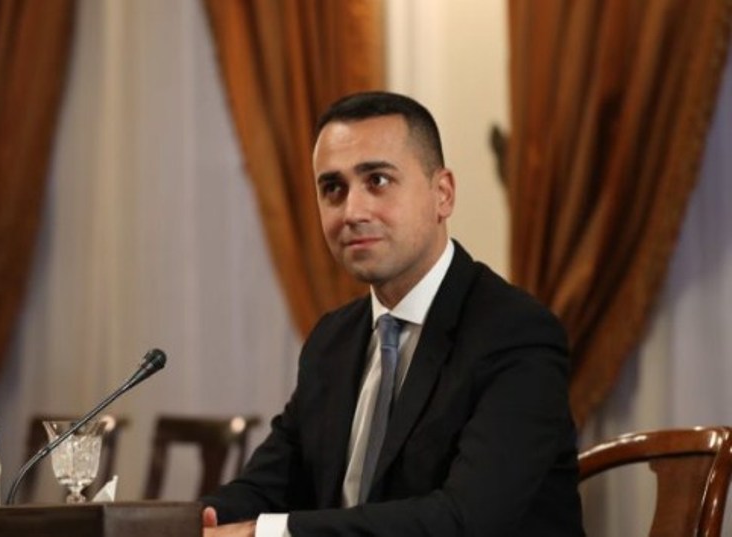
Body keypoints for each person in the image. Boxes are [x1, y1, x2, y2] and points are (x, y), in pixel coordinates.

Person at [201, 91, 584, 536]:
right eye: (333, 189)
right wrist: (176, 525)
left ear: (443, 194)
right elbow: (268, 486)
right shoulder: (332, 339)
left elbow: (465, 520)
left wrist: (266, 533)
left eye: (378, 181)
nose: (352, 211)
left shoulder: (516, 333)